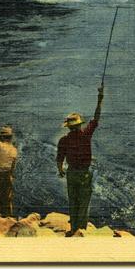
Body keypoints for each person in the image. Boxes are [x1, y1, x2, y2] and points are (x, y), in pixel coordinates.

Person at [56, 86, 104, 236]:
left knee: (73, 200)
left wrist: (60, 170)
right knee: (84, 201)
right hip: (84, 174)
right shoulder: (86, 135)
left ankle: (73, 228)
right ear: (79, 125)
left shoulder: (63, 140)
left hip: (71, 173)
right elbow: (96, 118)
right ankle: (80, 230)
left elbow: (59, 159)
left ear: (69, 127)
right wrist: (99, 99)